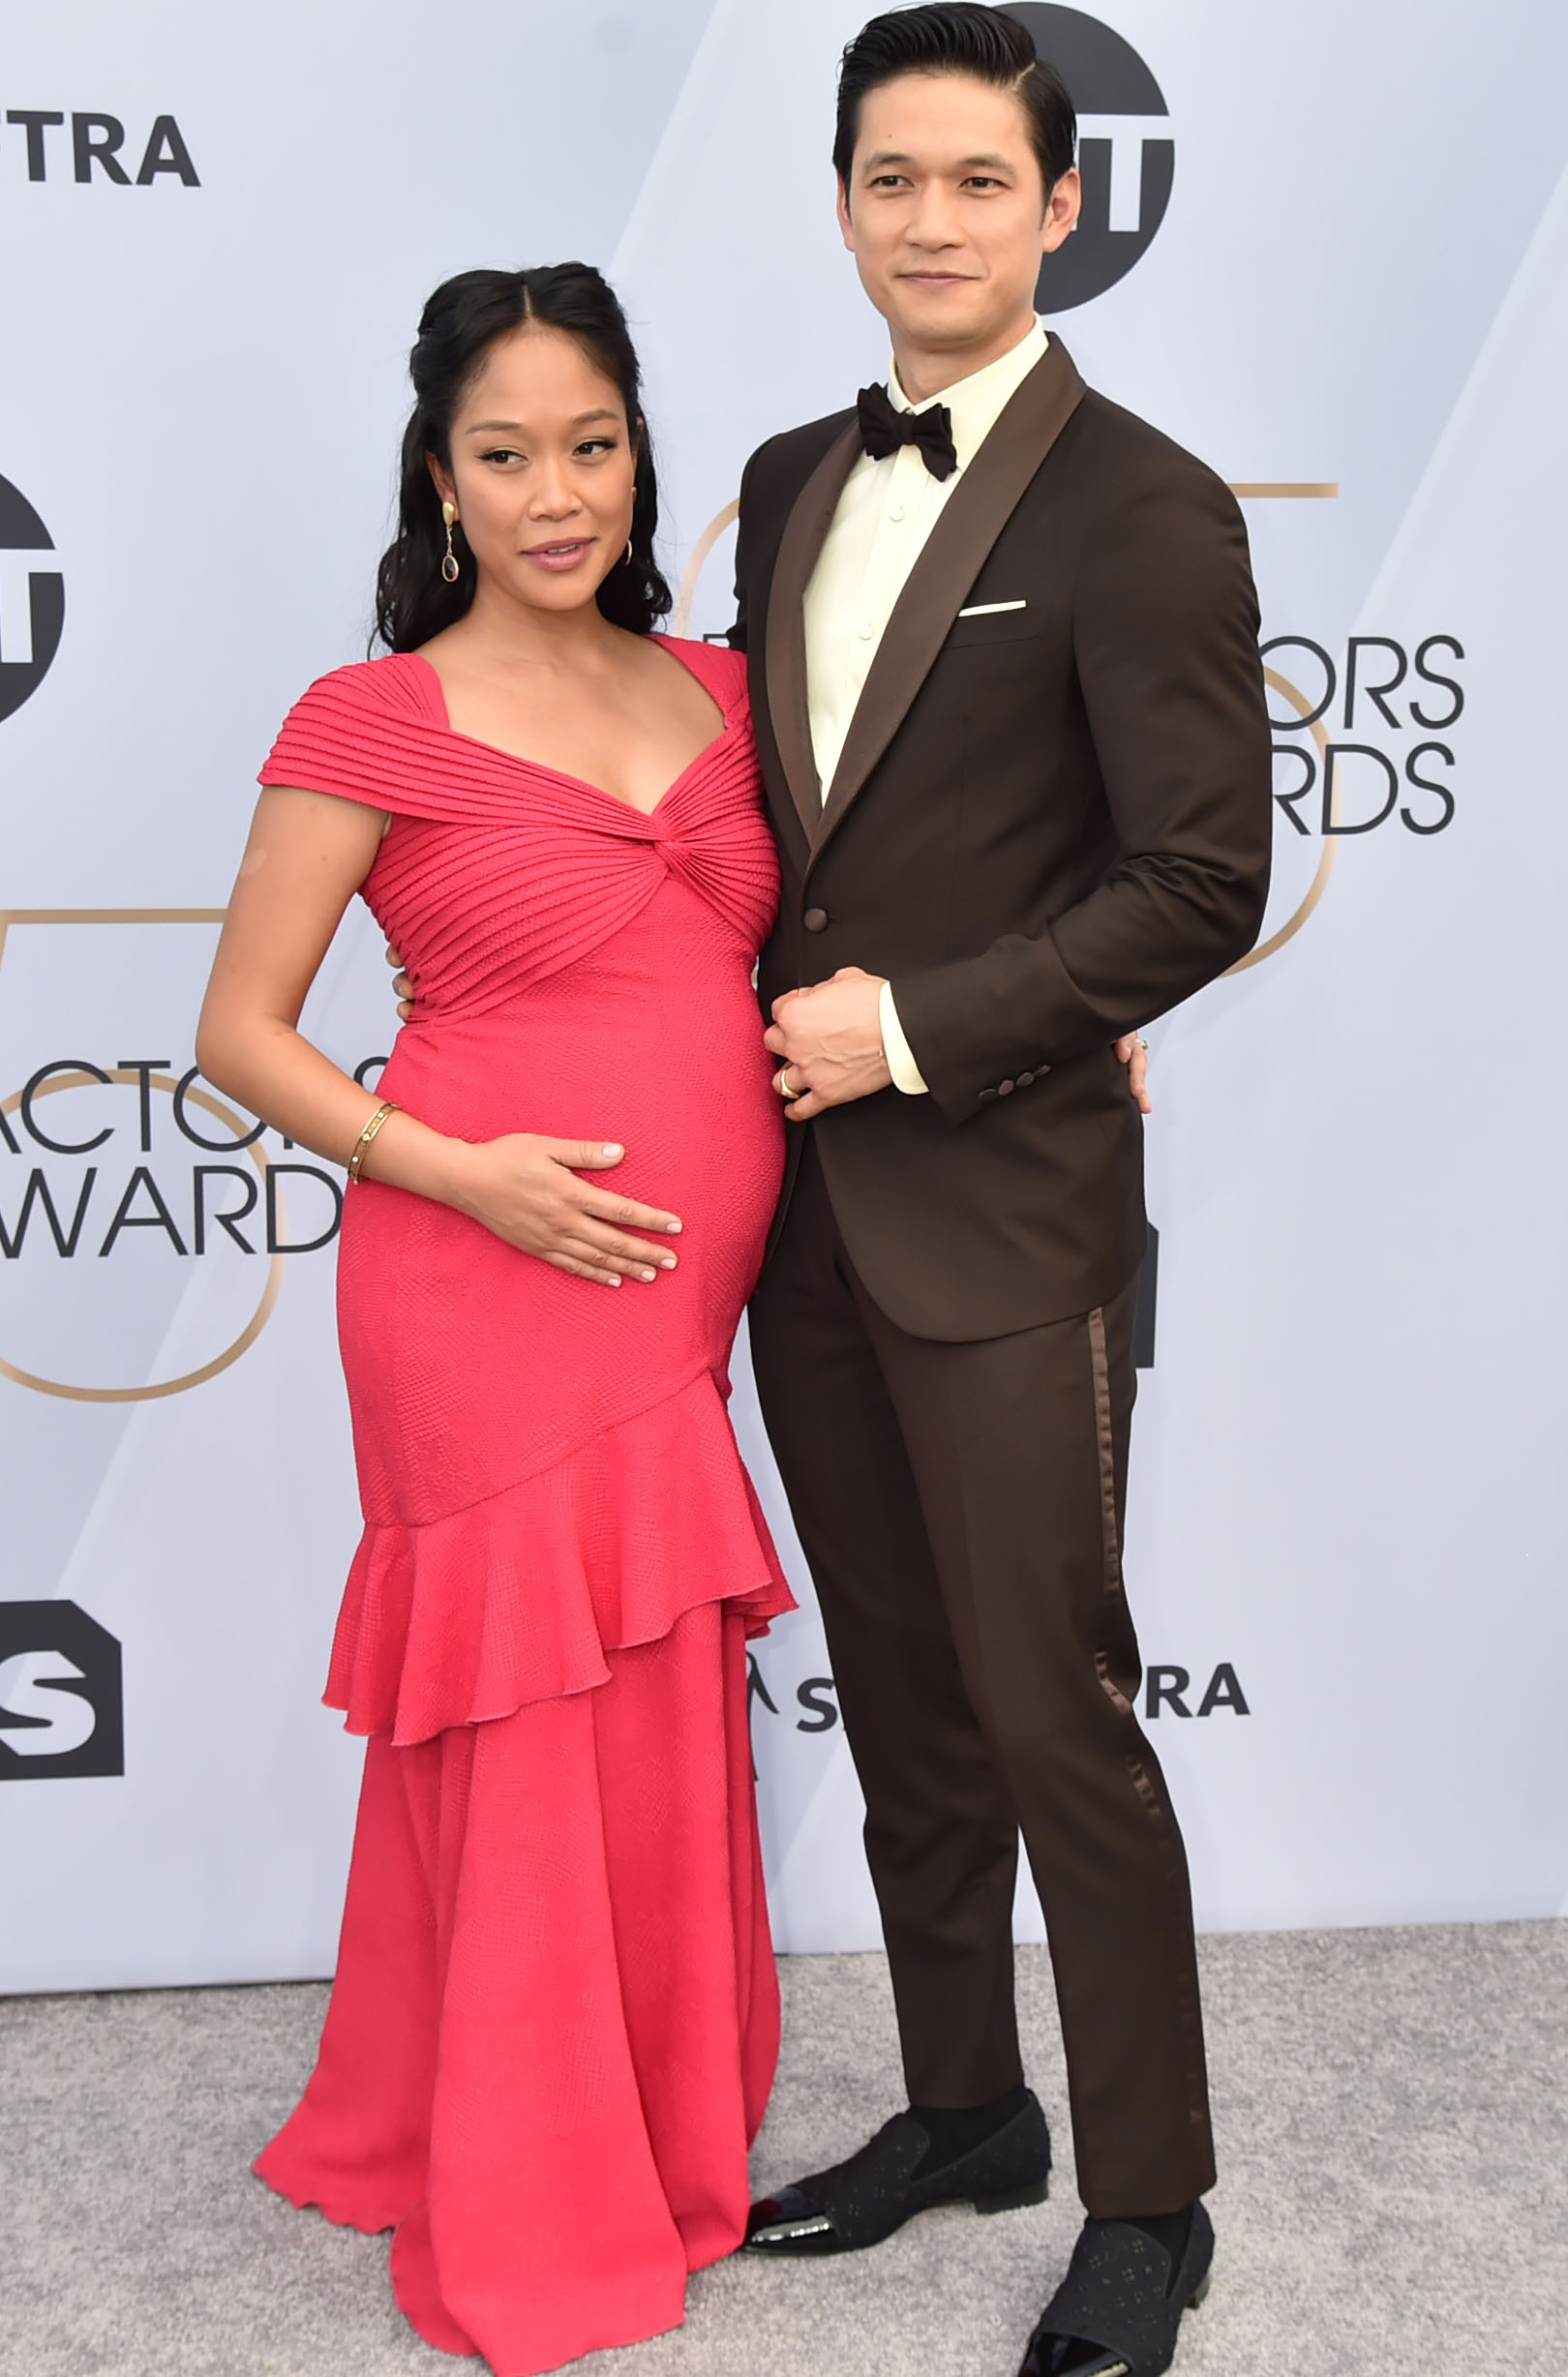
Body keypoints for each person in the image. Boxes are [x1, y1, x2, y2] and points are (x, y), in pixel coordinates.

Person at [728, 11, 1274, 2377]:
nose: (929, 220)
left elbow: (1199, 877)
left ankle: (1153, 2199)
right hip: (802, 1220)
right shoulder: (773, 478)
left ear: (1063, 207)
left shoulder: (1146, 503)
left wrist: (925, 1026)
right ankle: (964, 2107)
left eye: (977, 180)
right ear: (843, 203)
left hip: (1008, 1198)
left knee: (1056, 1709)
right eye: (889, 178)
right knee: (909, 1704)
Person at [195, 263, 799, 2375]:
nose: (558, 492)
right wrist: (467, 1177)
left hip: (674, 1317)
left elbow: (871, 926)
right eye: (506, 452)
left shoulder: (726, 691)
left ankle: (633, 2126)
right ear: (441, 481)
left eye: (593, 442)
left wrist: (1078, 1036)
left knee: (640, 1709)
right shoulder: (370, 717)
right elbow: (239, 1036)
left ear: (641, 451)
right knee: (539, 1718)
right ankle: (537, 2199)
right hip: (474, 1281)